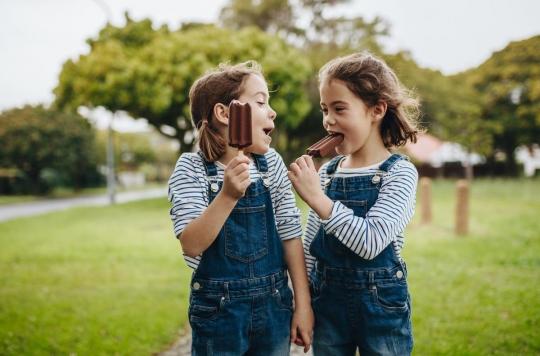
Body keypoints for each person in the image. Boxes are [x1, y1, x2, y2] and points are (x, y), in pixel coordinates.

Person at [168, 61, 313, 355]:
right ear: (224, 113)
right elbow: (191, 245)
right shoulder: (191, 169)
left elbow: (290, 233)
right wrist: (228, 195)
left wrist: (303, 305)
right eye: (260, 102)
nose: (271, 111)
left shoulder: (271, 163)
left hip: (275, 306)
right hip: (219, 314)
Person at [288, 52, 420, 356]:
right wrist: (303, 305)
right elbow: (310, 248)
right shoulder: (328, 173)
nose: (328, 120)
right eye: (324, 109)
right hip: (328, 303)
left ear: (376, 110)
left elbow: (371, 241)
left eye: (339, 108)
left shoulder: (399, 173)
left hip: (381, 306)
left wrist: (319, 200)